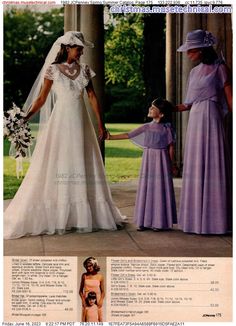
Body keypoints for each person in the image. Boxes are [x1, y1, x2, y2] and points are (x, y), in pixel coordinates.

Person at [4, 31, 125, 239]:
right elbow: (42, 99)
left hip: (81, 122)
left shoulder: (85, 69)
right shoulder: (52, 70)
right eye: (79, 48)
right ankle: (59, 213)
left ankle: (82, 215)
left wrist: (101, 124)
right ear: (68, 47)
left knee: (81, 159)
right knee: (58, 161)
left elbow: (92, 96)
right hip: (61, 122)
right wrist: (24, 118)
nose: (82, 51)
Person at [176, 29, 232, 234]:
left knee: (214, 163)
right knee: (196, 164)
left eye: (191, 50)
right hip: (196, 119)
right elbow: (188, 104)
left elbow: (230, 99)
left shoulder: (221, 68)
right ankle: (195, 221)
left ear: (201, 50)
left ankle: (216, 222)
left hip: (212, 117)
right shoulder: (193, 72)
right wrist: (168, 108)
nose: (188, 54)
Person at [106, 98, 177, 231]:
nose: (150, 109)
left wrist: (171, 164)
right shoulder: (146, 127)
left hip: (162, 161)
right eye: (150, 106)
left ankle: (159, 222)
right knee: (147, 188)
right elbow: (129, 135)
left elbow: (170, 147)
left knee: (159, 189)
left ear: (161, 114)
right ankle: (144, 221)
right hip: (149, 160)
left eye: (153, 108)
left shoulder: (167, 129)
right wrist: (111, 137)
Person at [79, 257, 105, 321]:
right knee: (85, 319)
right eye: (87, 266)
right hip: (87, 300)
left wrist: (101, 300)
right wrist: (83, 301)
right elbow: (80, 291)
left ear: (95, 265)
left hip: (97, 300)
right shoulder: (84, 275)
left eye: (90, 266)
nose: (88, 268)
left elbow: (103, 292)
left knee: (99, 318)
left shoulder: (100, 277)